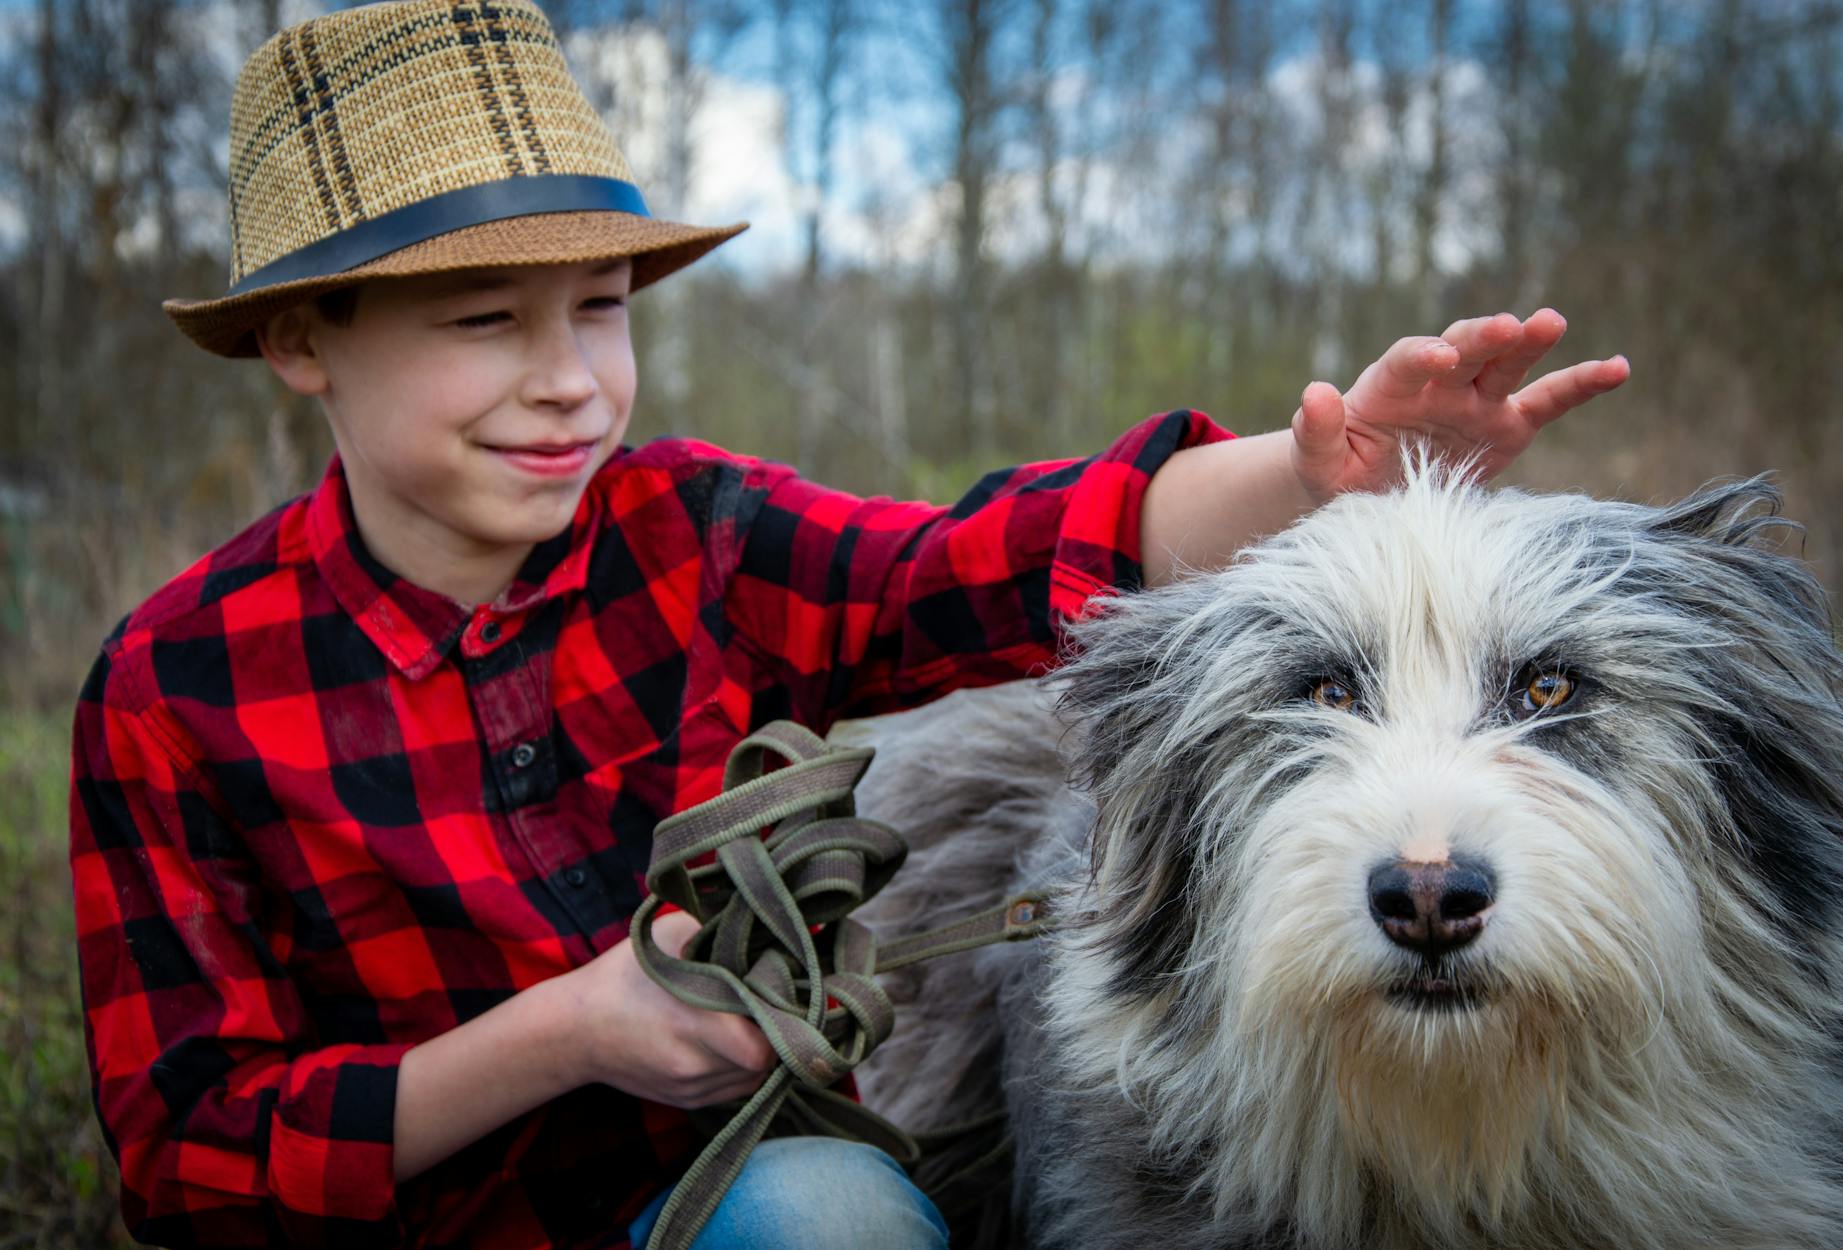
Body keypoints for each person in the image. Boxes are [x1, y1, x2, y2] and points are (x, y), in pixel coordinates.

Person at [65, 2, 1629, 1248]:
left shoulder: (691, 529)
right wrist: (570, 1031)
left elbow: (986, 567)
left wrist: (1307, 471)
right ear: (301, 341)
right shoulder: (170, 692)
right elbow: (185, 1155)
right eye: (486, 322)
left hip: (710, 1197)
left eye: (602, 308)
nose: (570, 382)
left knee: (838, 1216)